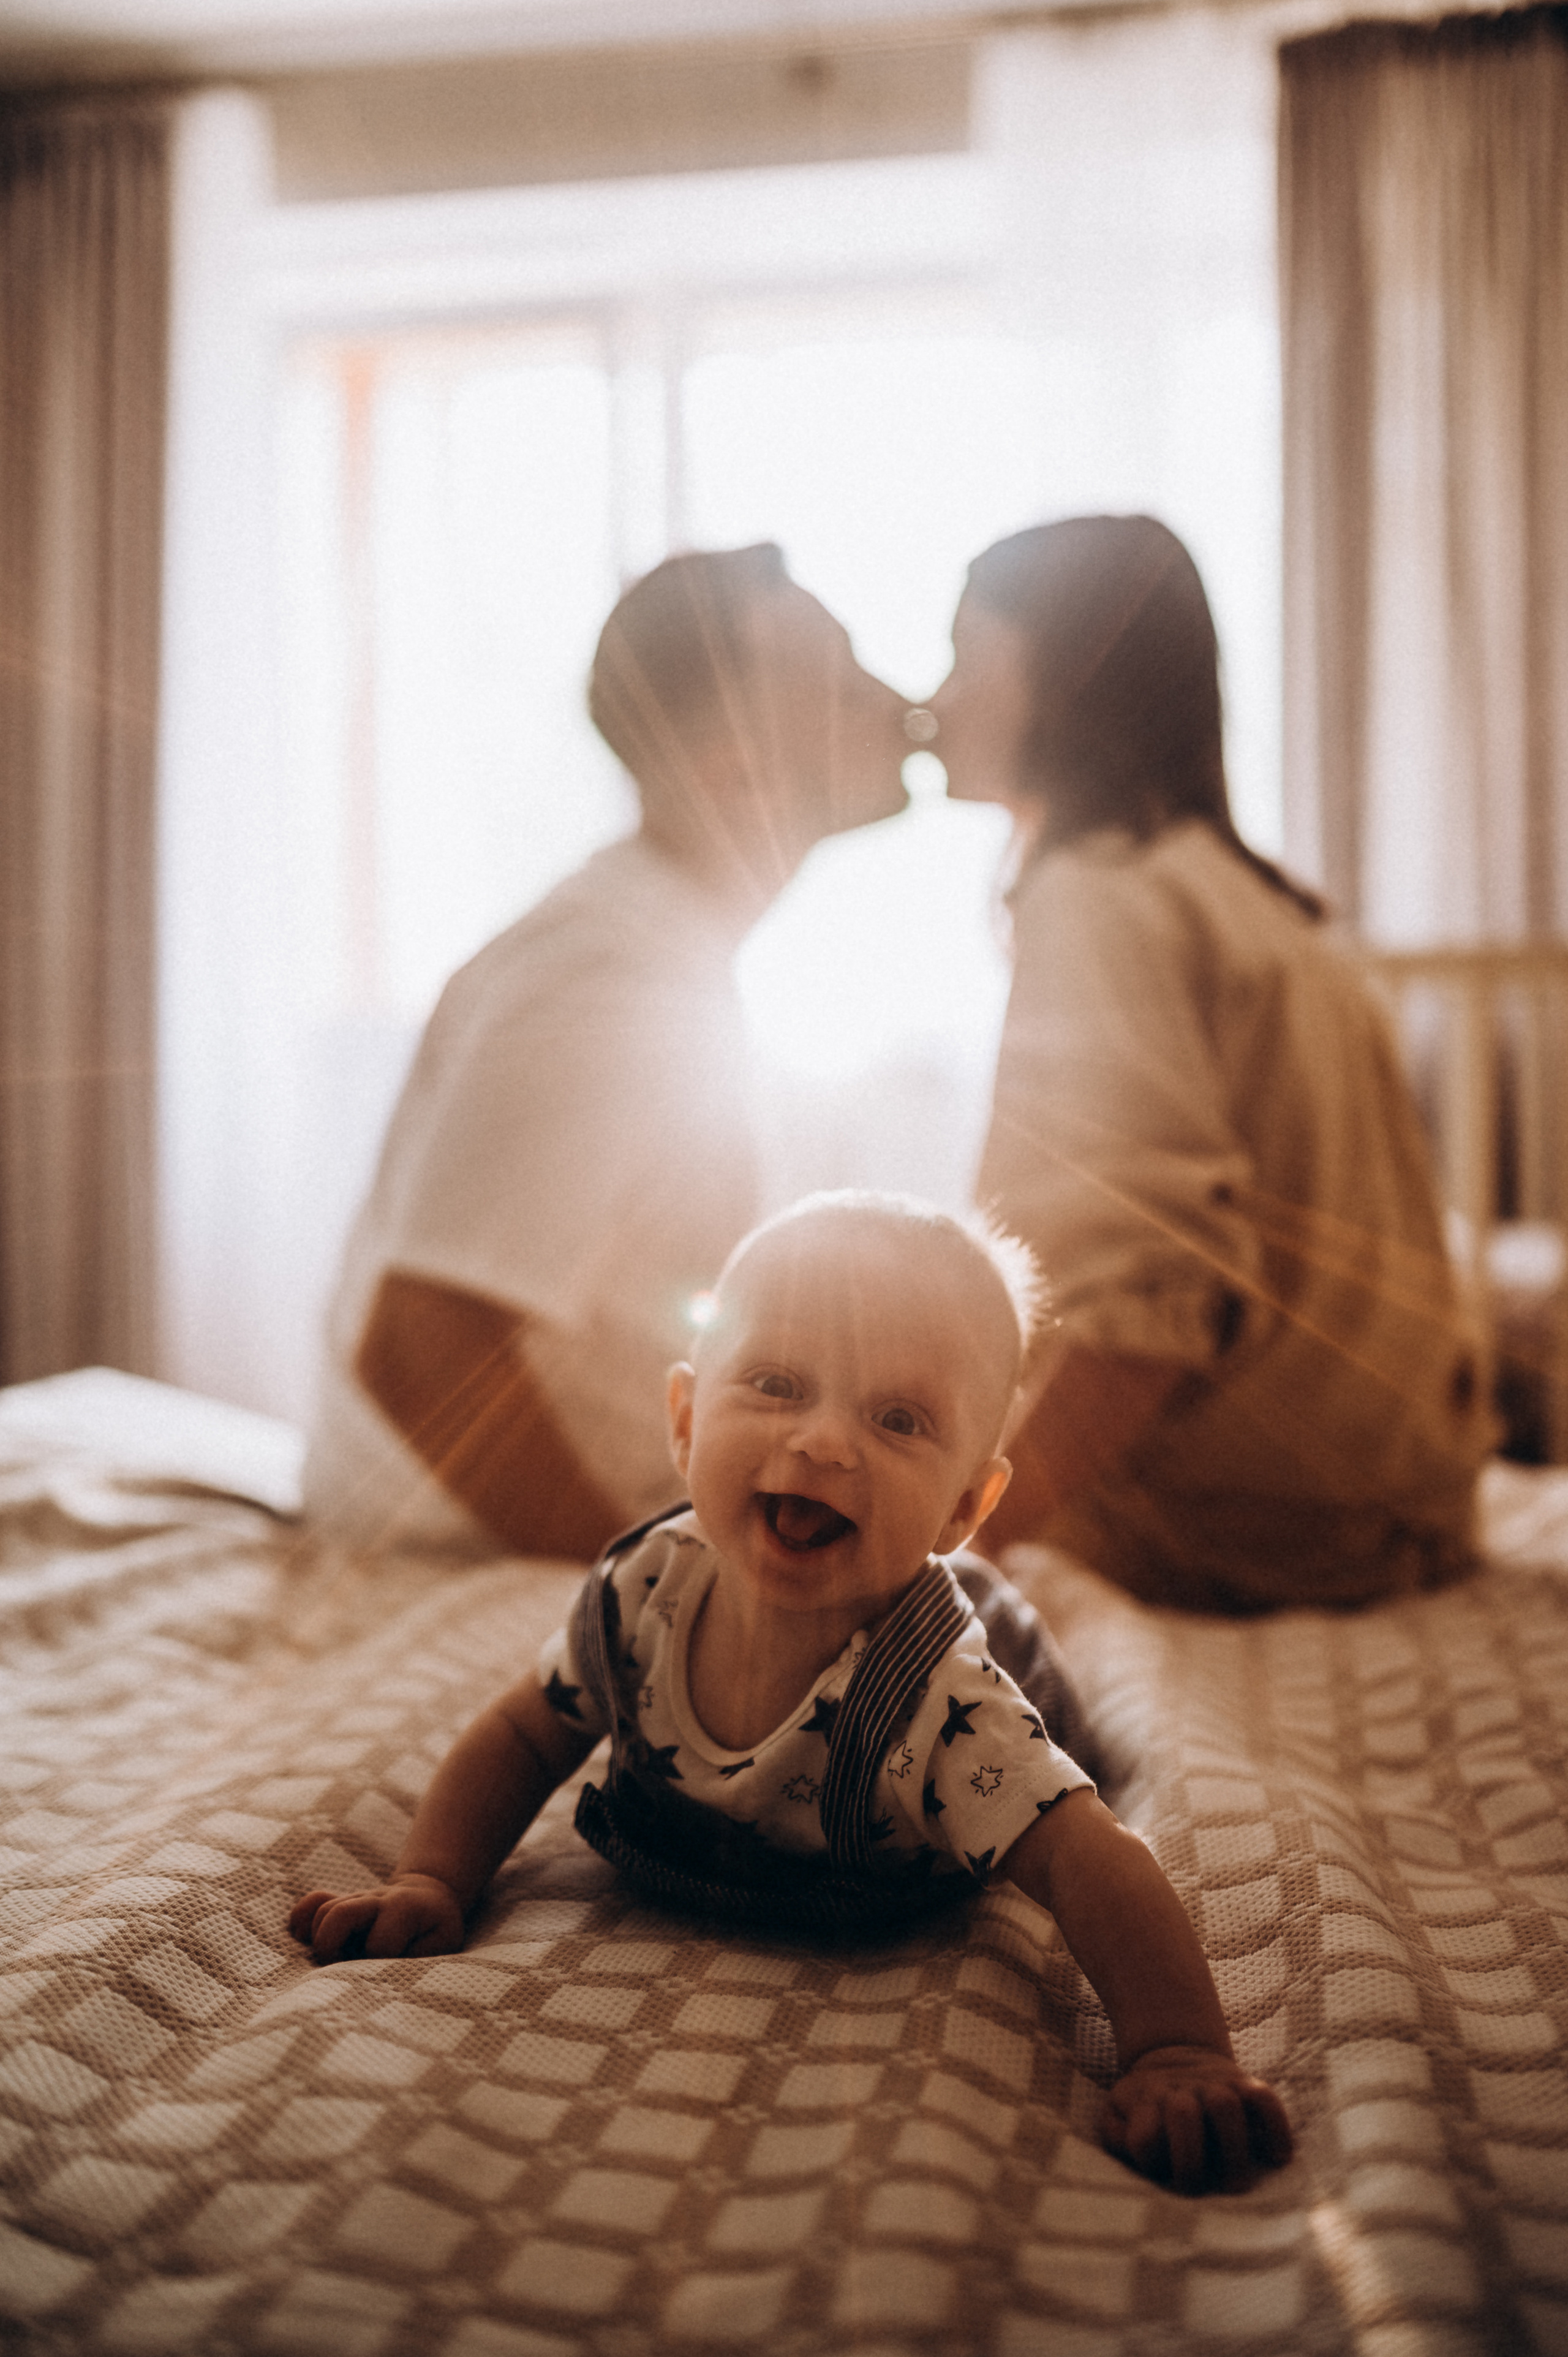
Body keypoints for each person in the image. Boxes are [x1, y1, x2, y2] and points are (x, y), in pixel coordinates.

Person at [291, 1192, 1294, 2196]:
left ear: (963, 1504)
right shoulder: (644, 1593)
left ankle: (996, 1583)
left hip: (985, 1683)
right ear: (687, 1422)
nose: (822, 1442)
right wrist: (433, 1879)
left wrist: (1177, 2050)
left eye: (898, 1419)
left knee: (1026, 1678)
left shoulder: (941, 1705)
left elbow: (1087, 1856)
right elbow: (524, 1730)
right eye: (776, 1384)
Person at [929, 514, 1494, 1613]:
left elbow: (1146, 1315)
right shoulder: (1247, 896)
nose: (939, 699)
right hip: (1407, 1502)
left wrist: (960, 1552)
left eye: (965, 655)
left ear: (1059, 675)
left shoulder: (1094, 894)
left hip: (1257, 1527)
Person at [304, 545, 910, 1564]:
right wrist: (650, 1593)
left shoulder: (668, 948)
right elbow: (420, 1343)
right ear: (733, 766)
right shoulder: (608, 977)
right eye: (844, 684)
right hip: (462, 1554)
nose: (897, 703)